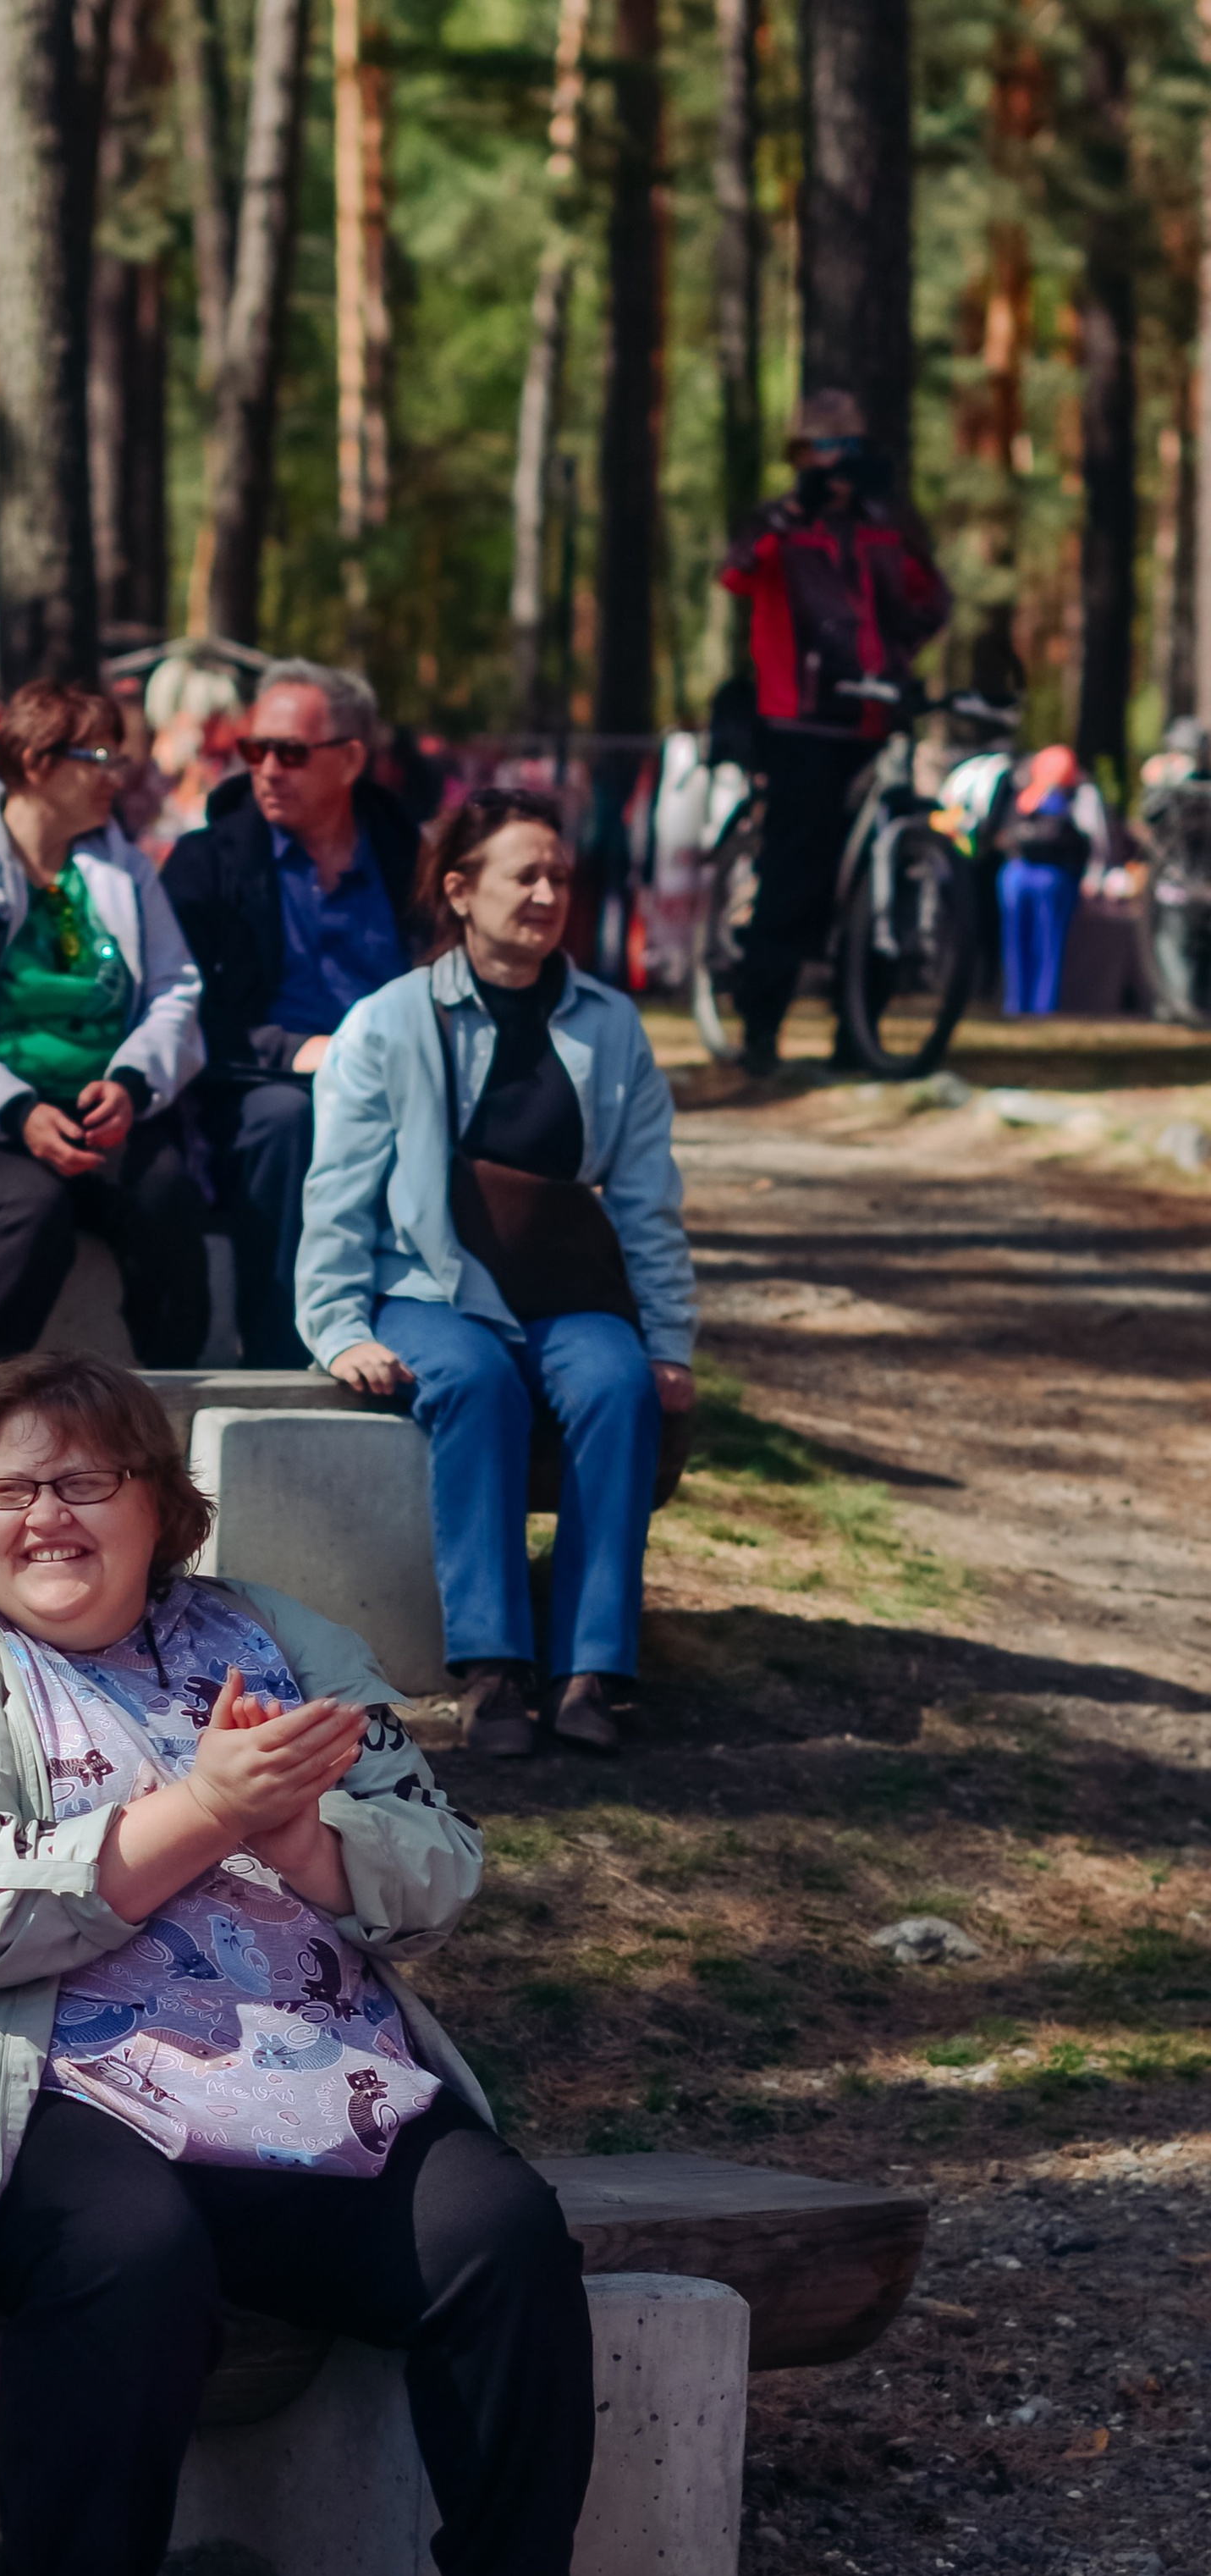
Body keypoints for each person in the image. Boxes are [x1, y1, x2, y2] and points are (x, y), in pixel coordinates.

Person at [0, 1352, 669, 2576]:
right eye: (12, 1490)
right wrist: (202, 1811)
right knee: (130, 2261)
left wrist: (307, 1844)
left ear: (163, 1508)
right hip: (38, 2078)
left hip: (304, 2066)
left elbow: (440, 1861)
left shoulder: (276, 1639)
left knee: (497, 2234)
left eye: (88, 1483)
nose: (50, 1519)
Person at [295, 787, 696, 1759]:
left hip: (562, 1289)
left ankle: (592, 1668)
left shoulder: (611, 1025)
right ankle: (491, 1667)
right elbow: (338, 1191)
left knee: (613, 1385)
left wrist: (669, 1340)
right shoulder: (388, 1022)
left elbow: (647, 1199)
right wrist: (339, 1326)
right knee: (473, 1384)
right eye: (527, 874)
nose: (549, 893)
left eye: (561, 876)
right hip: (427, 1288)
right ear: (461, 890)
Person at [0, 680, 208, 1371]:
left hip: (99, 1109)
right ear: (35, 762)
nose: (116, 775)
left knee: (167, 1197)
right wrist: (18, 1109)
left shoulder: (121, 867)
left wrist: (131, 1082)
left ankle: (174, 1421)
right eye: (99, 755)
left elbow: (175, 987)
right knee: (31, 1209)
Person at [162, 660, 420, 1367]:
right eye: (255, 750)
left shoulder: (414, 862)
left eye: (291, 752)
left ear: (351, 760)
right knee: (288, 1120)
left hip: (404, 1080)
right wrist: (295, 1051)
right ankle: (279, 1357)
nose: (267, 769)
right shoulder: (206, 863)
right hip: (262, 1086)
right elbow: (181, 1011)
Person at [719, 390, 952, 1079]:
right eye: (823, 449)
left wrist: (900, 651)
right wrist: (793, 512)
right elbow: (737, 573)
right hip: (796, 720)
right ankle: (762, 1030)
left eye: (849, 449)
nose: (838, 462)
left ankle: (861, 1033)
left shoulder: (885, 527)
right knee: (796, 875)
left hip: (873, 716)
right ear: (801, 458)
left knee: (880, 872)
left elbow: (927, 598)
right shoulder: (777, 525)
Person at [996, 743, 1093, 1016]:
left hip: (1020, 874)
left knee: (1018, 947)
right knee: (1047, 948)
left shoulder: (1024, 794)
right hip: (1052, 877)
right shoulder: (1078, 796)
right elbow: (1093, 842)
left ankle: (1018, 1006)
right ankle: (1040, 1008)